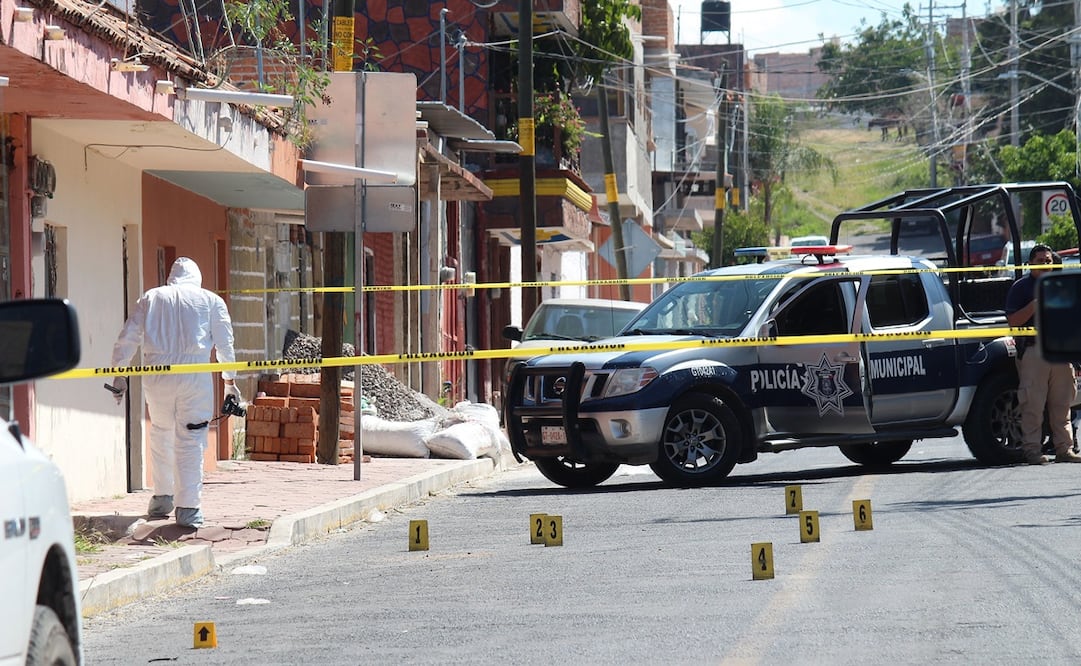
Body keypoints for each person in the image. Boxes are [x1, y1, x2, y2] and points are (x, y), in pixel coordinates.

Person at [110, 257, 241, 527]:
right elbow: (225, 344)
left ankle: (162, 497)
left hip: (157, 376)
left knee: (161, 432)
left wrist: (119, 372)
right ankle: (189, 509)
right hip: (195, 377)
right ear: (198, 278)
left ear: (171, 277)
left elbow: (129, 336)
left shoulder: (151, 297)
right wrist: (230, 381)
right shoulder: (211, 301)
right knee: (191, 439)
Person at [1004, 243, 1080, 465]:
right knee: (1032, 405)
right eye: (1041, 262)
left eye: (1048, 261)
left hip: (1061, 350)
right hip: (1034, 350)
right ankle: (1032, 451)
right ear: (1030, 264)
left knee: (1062, 405)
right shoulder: (1021, 288)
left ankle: (1065, 449)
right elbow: (1013, 322)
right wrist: (1036, 303)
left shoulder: (1060, 285)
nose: (1046, 265)